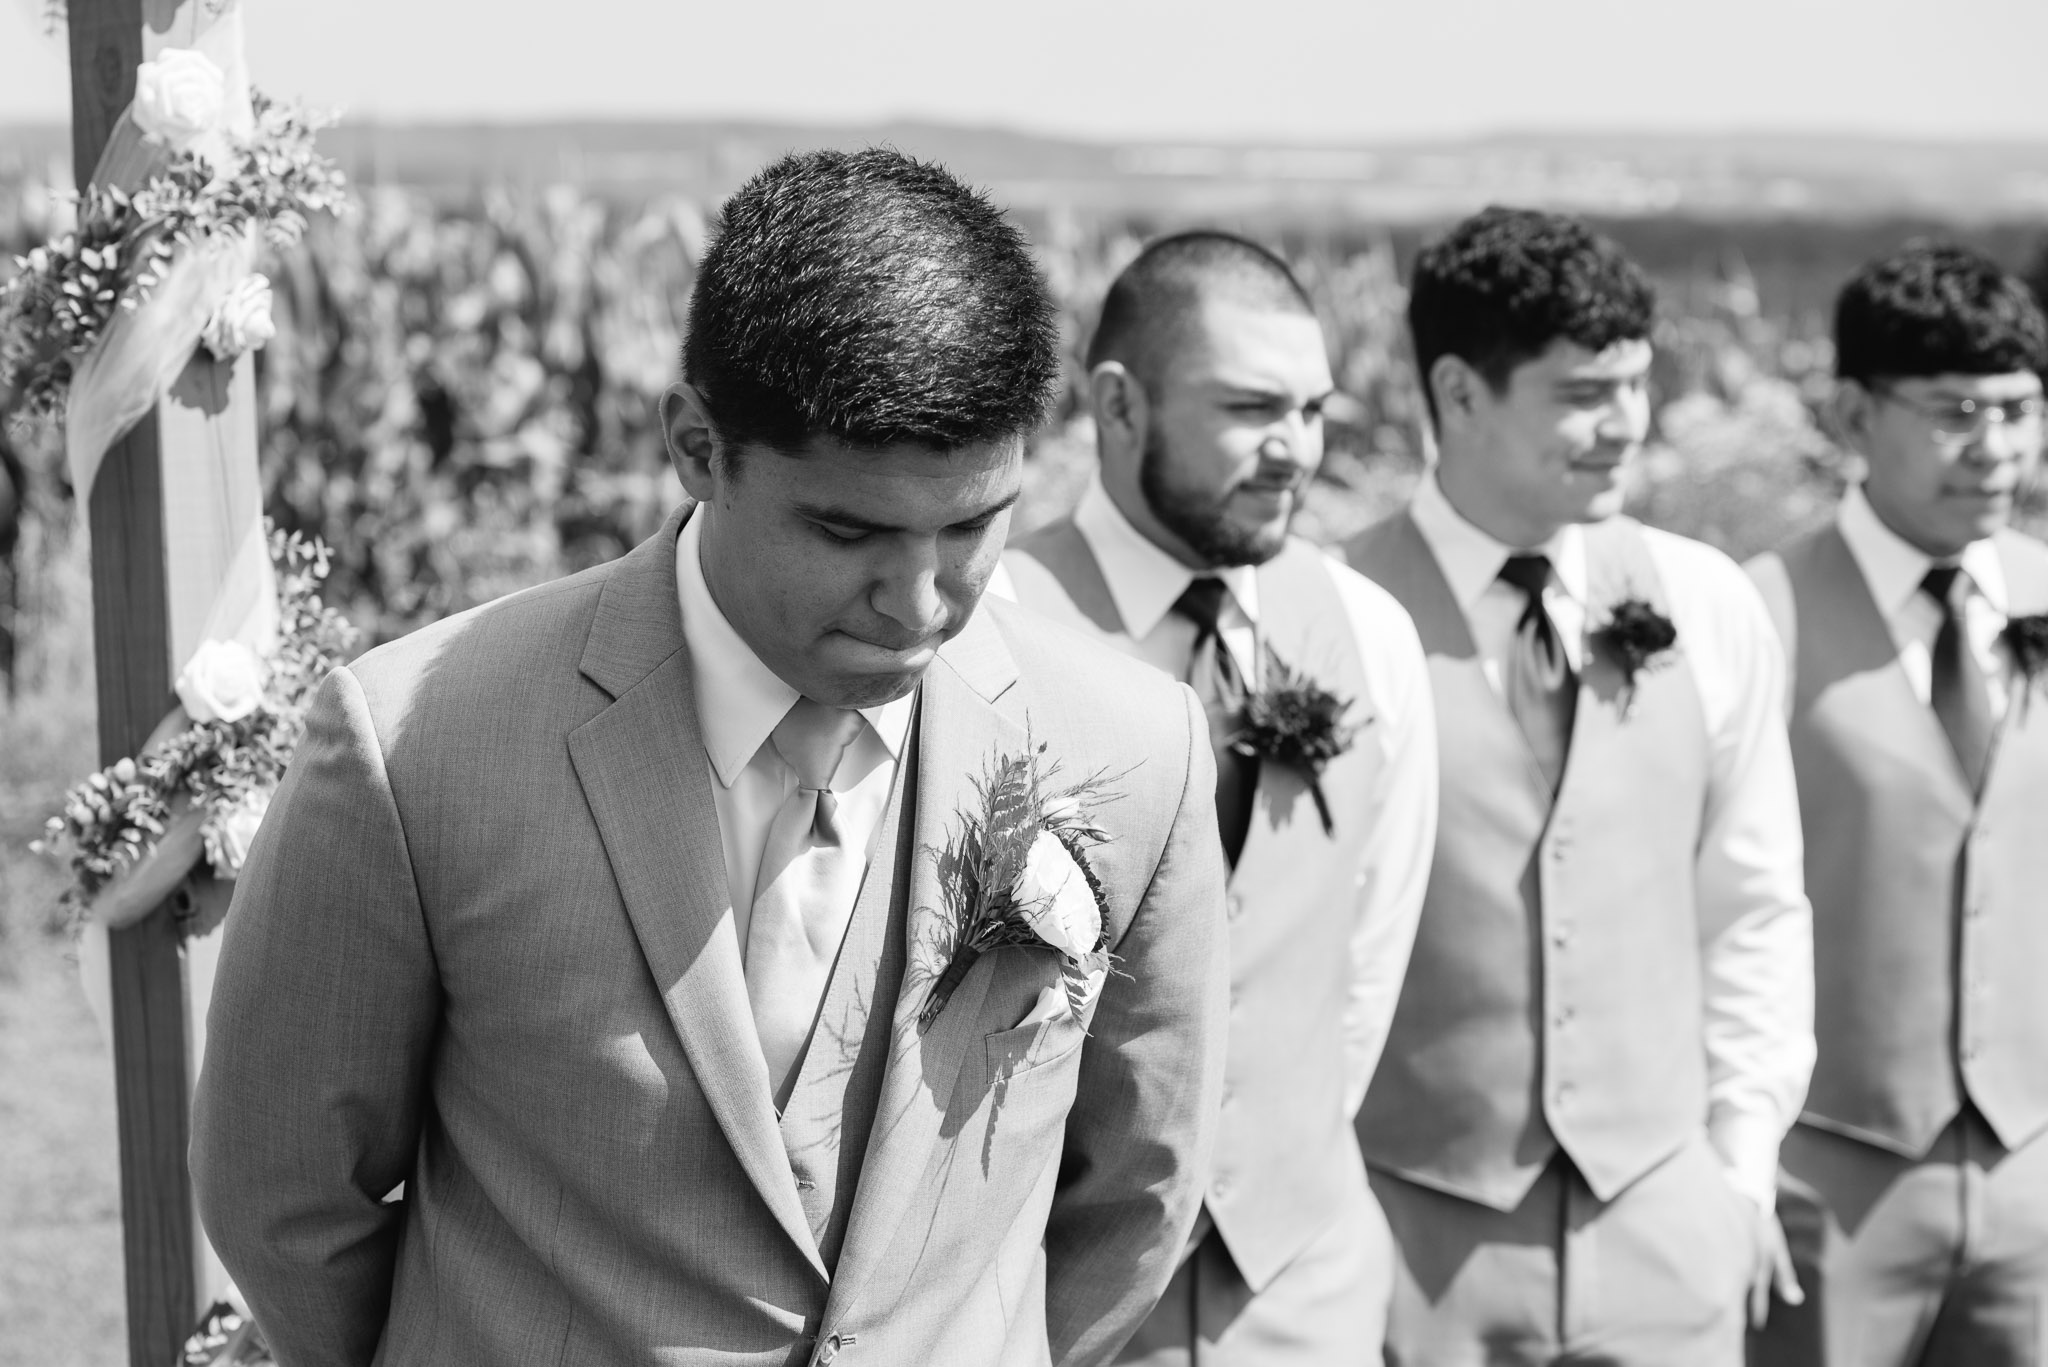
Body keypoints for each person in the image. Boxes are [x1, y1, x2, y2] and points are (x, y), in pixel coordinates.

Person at [191, 148, 1232, 1367]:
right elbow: (284, 1192)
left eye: (970, 526)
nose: (917, 602)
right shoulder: (416, 741)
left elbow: (1140, 1185)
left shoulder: (1133, 743)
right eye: (847, 529)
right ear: (696, 444)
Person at [1342, 206, 1814, 1366]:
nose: (1626, 427)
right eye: (1580, 393)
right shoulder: (1334, 614)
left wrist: (1737, 1171)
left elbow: (1751, 900)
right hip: (1409, 1235)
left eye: (1635, 385)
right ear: (1455, 393)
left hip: (1665, 1224)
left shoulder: (1703, 601)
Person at [997, 230, 1438, 1364]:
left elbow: (1368, 955)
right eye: (1250, 409)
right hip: (1050, 1300)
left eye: (1311, 408)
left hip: (1303, 1289)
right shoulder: (996, 622)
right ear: (1118, 404)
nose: (1295, 449)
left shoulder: (1367, 632)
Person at [1746, 243, 2048, 1367]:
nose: (1998, 448)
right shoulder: (1755, 613)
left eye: (2020, 410)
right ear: (1853, 414)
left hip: (2032, 1177)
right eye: (1957, 411)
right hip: (1824, 1176)